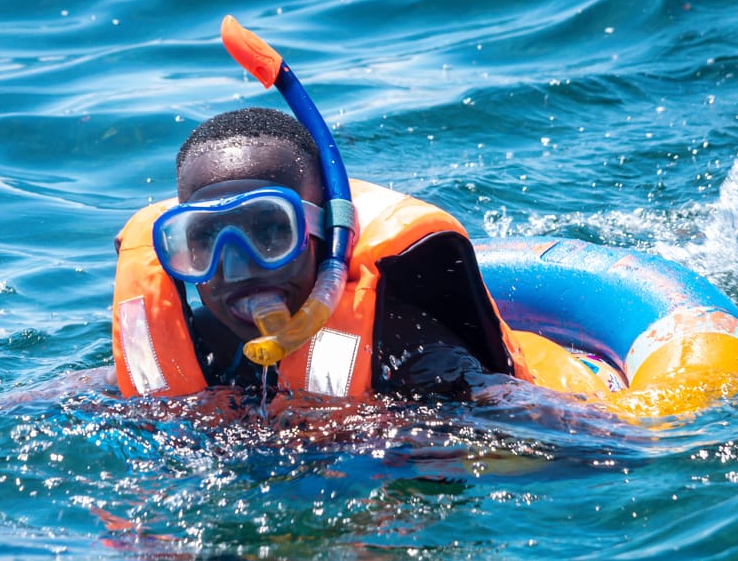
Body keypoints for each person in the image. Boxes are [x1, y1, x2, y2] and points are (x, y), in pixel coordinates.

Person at [109, 107, 539, 401]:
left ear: (329, 235)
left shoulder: (409, 354)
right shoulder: (205, 346)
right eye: (204, 239)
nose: (238, 267)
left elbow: (554, 441)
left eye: (271, 229)